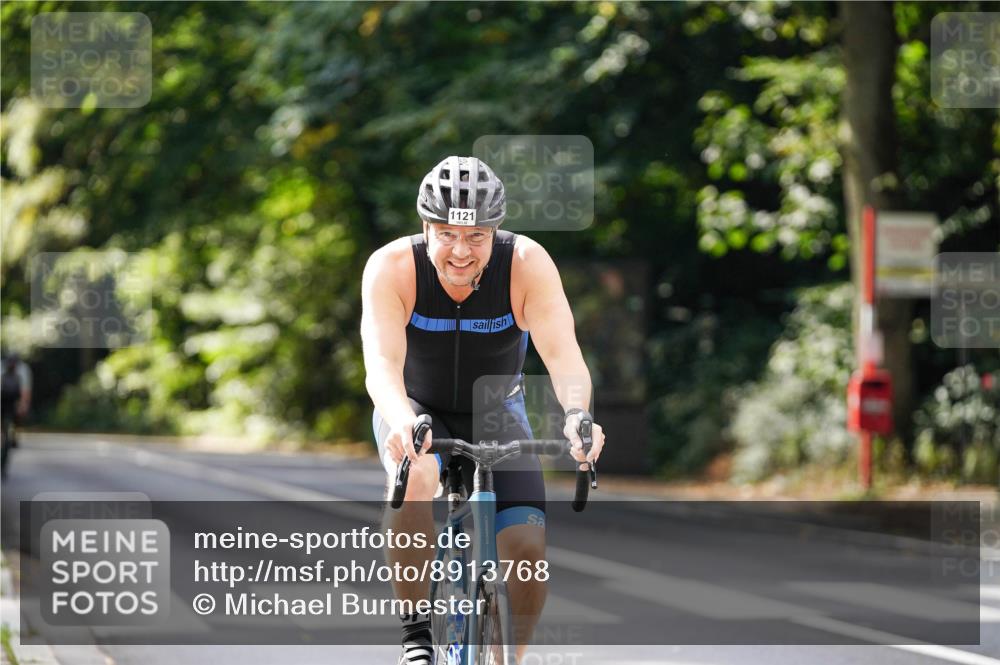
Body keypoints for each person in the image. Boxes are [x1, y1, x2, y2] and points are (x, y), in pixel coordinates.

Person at [361, 156, 606, 665]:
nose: (460, 251)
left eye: (476, 237)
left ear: (495, 231)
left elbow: (562, 356)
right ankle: (416, 636)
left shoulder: (525, 264)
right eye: (447, 234)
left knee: (527, 550)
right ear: (425, 226)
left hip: (496, 411)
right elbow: (382, 363)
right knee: (417, 479)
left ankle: (509, 659)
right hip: (415, 407)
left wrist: (577, 414)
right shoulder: (392, 267)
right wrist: (401, 419)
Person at [1, 352, 32, 477]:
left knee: (11, 429)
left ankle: (13, 435)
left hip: (13, 402)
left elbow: (25, 392)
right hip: (2, 401)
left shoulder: (23, 370)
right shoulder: (1, 368)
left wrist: (23, 407)